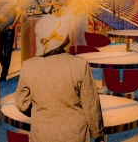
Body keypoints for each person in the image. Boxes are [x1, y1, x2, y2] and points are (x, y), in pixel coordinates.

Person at [15, 14, 105, 142]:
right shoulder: (79, 65)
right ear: (60, 38)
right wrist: (97, 134)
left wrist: (42, 112)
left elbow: (21, 102)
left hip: (42, 134)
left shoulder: (28, 66)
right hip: (75, 135)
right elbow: (91, 105)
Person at [0, 4, 21, 82]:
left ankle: (4, 74)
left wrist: (13, 25)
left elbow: (19, 11)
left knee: (7, 52)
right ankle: (5, 67)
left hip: (8, 29)